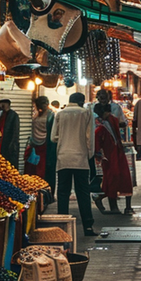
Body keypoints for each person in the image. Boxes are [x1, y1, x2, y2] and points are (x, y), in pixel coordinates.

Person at [51, 92, 97, 236]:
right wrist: (89, 155)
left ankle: (62, 228)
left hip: (63, 158)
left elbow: (53, 137)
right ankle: (88, 227)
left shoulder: (60, 114)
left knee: (63, 193)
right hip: (80, 158)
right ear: (81, 101)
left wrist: (63, 138)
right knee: (83, 193)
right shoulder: (85, 113)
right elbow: (89, 138)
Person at [92, 103, 134, 215]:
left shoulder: (110, 121)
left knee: (124, 178)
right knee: (112, 179)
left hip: (116, 152)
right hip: (108, 156)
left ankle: (126, 206)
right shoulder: (100, 127)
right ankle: (113, 205)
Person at [25, 96, 57, 194]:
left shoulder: (51, 115)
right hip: (35, 146)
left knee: (45, 170)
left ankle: (47, 192)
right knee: (33, 170)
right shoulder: (37, 115)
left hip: (46, 146)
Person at [0, 99, 20, 169]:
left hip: (9, 144)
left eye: (3, 104)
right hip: (1, 143)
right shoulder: (0, 115)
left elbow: (15, 132)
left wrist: (12, 145)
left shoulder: (13, 115)